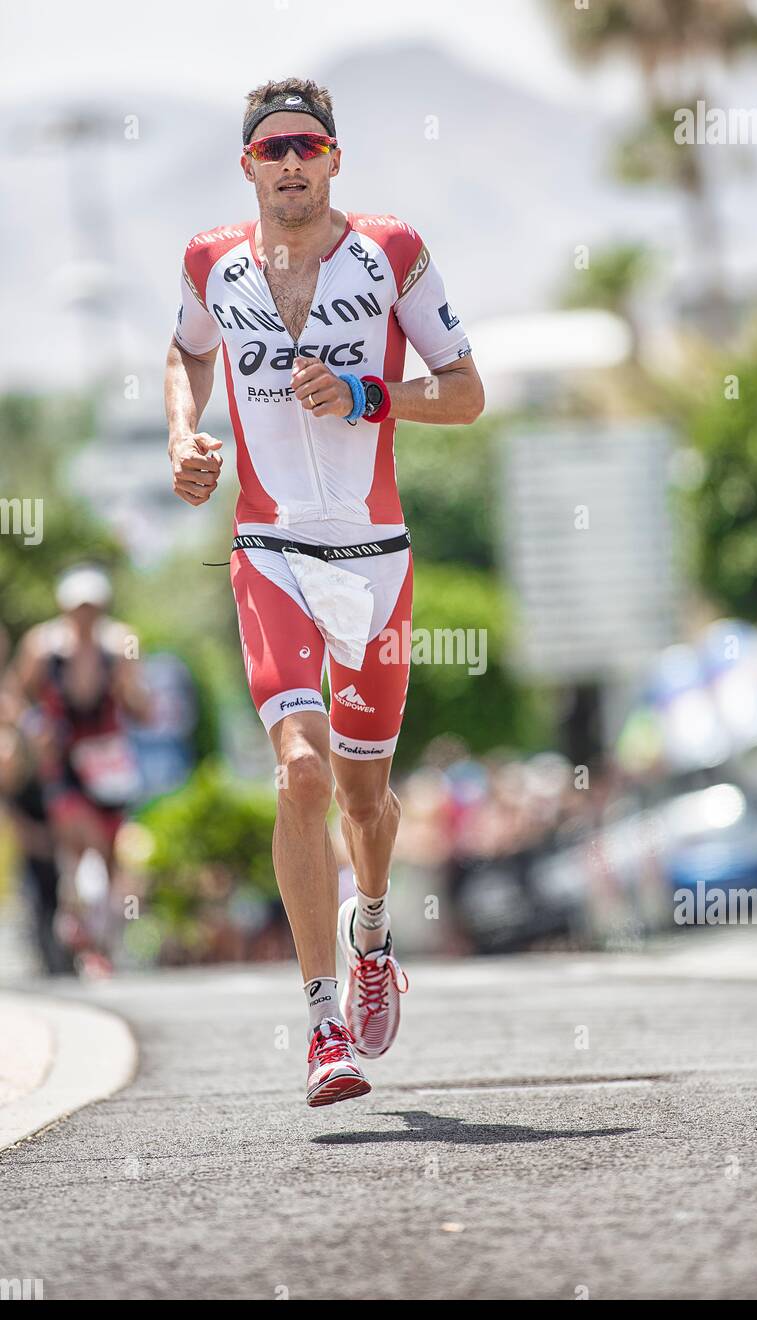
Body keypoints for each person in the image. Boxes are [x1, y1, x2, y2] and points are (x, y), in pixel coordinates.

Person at [164, 77, 484, 1106]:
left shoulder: (389, 252)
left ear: (334, 159)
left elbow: (468, 390)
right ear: (248, 166)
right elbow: (184, 350)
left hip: (375, 557)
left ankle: (375, 930)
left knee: (363, 798)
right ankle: (319, 1024)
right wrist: (183, 432)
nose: (291, 162)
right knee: (298, 772)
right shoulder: (211, 261)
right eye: (273, 149)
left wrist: (366, 394)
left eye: (308, 145)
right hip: (268, 549)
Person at [12, 564, 150, 973]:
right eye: (78, 607)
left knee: (109, 851)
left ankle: (100, 936)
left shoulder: (121, 641)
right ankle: (77, 922)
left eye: (91, 607)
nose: (85, 616)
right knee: (77, 835)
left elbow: (141, 706)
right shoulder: (42, 644)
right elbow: (16, 693)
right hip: (65, 759)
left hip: (108, 760)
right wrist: (33, 728)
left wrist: (128, 690)